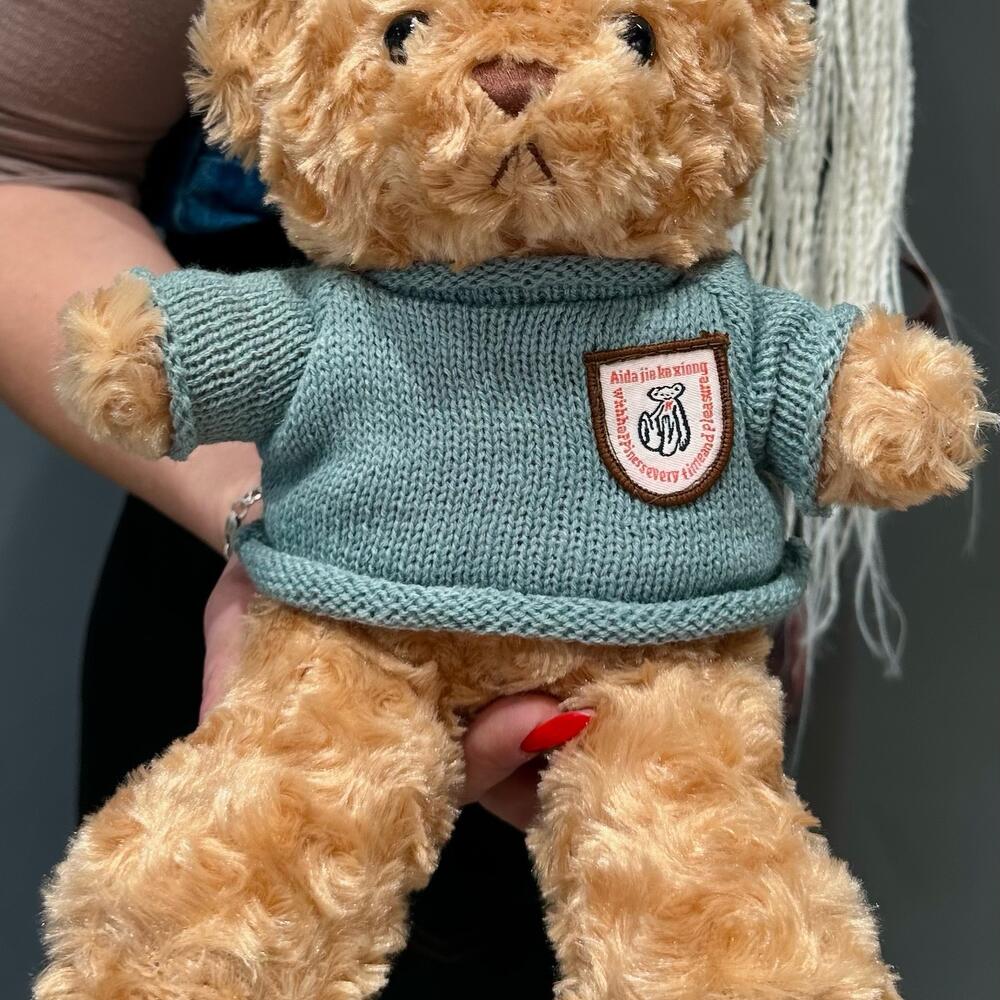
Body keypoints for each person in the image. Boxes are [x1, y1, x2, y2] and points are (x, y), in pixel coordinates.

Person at [1, 2, 569, 995]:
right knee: (231, 925)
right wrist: (289, 518)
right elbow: (32, 171)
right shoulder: (304, 334)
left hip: (666, 621)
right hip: (291, 591)